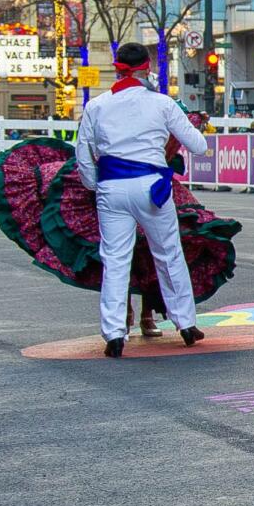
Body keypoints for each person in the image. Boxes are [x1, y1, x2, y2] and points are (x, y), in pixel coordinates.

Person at [75, 43, 216, 357]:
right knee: (168, 254)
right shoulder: (162, 103)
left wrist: (94, 185)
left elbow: (83, 154)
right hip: (152, 186)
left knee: (115, 260)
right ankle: (186, 323)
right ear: (147, 67)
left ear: (118, 68)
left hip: (112, 187)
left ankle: (114, 334)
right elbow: (199, 146)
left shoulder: (96, 106)